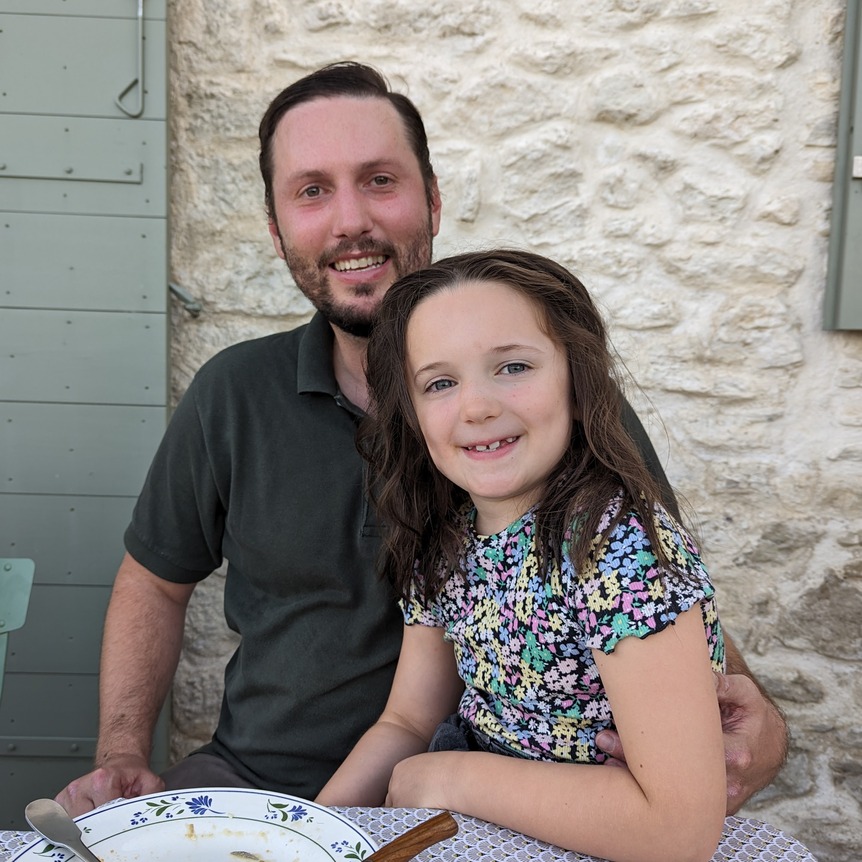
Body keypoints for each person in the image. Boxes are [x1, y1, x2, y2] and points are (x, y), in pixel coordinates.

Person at [56, 61, 786, 817]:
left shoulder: (554, 413)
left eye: (380, 180)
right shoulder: (232, 393)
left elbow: (659, 586)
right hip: (255, 780)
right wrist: (121, 756)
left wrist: (757, 723)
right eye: (312, 191)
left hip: (494, 799)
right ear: (276, 231)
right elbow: (154, 580)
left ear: (433, 200)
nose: (349, 221)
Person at [316, 249, 728, 861]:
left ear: (578, 382)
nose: (477, 406)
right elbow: (407, 722)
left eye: (512, 367)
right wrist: (307, 831)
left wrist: (447, 777)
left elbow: (678, 830)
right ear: (414, 415)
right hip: (480, 834)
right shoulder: (446, 544)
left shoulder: (618, 547)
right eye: (440, 383)